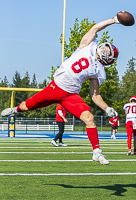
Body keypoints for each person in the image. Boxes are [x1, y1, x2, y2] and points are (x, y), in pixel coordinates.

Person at [1, 14, 122, 165]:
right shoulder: (88, 45)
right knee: (28, 105)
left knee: (89, 118)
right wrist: (114, 20)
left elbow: (94, 95)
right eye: (106, 48)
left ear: (108, 59)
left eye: (108, 51)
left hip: (70, 95)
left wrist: (107, 108)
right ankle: (16, 110)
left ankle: (96, 152)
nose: (105, 49)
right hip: (55, 87)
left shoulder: (99, 71)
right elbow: (96, 28)